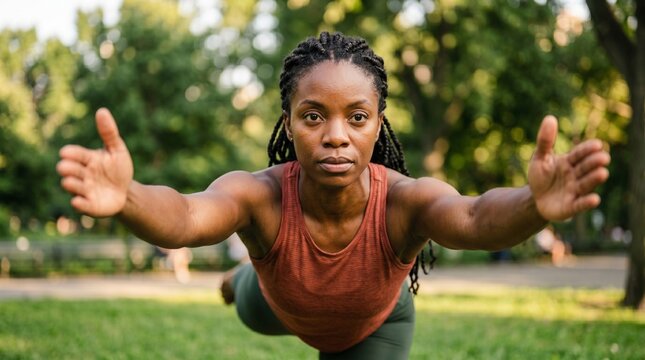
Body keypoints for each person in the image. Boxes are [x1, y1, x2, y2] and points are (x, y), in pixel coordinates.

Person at [56, 32, 610, 359]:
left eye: (358, 117)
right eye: (314, 116)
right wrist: (127, 195)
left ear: (378, 125)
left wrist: (534, 205)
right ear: (290, 123)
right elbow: (186, 215)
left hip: (375, 322)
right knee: (249, 292)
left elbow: (472, 216)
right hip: (274, 303)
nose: (336, 134)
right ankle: (240, 279)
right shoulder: (261, 197)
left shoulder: (405, 202)